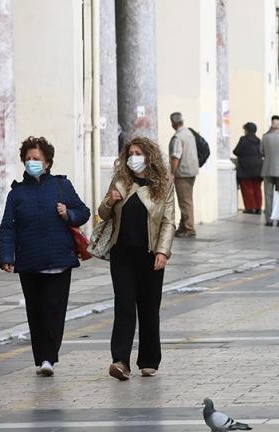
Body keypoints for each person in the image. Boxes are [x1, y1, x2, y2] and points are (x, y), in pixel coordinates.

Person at [0, 136, 91, 376]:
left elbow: (83, 212)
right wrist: (6, 256)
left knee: (54, 310)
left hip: (59, 260)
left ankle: (50, 357)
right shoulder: (17, 193)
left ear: (47, 162)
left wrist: (67, 213)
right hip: (29, 262)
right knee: (36, 311)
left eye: (36, 159)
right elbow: (8, 227)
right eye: (28, 159)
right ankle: (41, 358)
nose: (32, 162)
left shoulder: (61, 186)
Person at [99, 137, 176, 380]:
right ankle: (120, 361)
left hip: (150, 254)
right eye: (130, 153)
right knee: (124, 305)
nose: (133, 157)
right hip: (122, 253)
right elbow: (103, 213)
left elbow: (169, 221)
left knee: (149, 307)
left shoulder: (163, 184)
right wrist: (110, 201)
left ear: (149, 156)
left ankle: (149, 360)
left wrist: (163, 251)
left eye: (138, 153)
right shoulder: (121, 181)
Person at [168, 112, 199, 238]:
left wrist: (172, 172)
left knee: (185, 201)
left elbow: (176, 156)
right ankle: (183, 225)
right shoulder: (189, 133)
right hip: (192, 170)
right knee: (187, 200)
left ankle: (188, 227)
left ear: (173, 123)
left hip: (183, 173)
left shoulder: (178, 137)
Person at [261, 116, 279, 227]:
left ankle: (269, 220)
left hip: (267, 168)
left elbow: (261, 151)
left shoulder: (265, 137)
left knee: (268, 195)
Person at [233, 122, 264, 215]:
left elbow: (236, 151)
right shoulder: (259, 140)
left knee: (247, 188)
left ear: (247, 130)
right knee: (257, 188)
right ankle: (258, 207)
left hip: (245, 167)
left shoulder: (243, 140)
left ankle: (250, 207)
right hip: (258, 167)